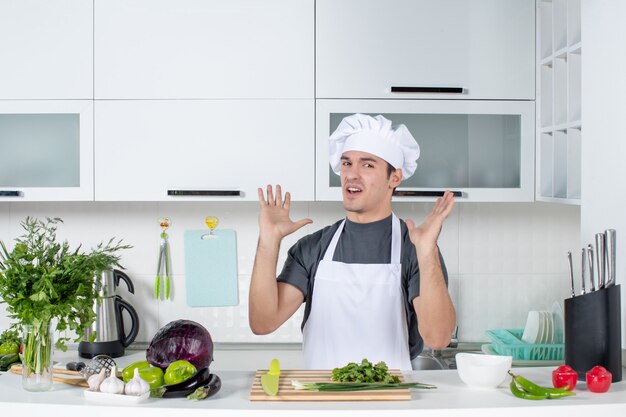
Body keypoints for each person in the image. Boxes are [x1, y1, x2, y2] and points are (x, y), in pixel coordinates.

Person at [248, 113, 456, 370]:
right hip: (322, 400)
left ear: (394, 178)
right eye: (346, 163)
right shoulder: (313, 247)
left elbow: (438, 337)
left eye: (367, 165)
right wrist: (268, 241)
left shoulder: (415, 248)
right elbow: (262, 322)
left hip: (388, 402)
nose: (351, 174)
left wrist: (427, 253)